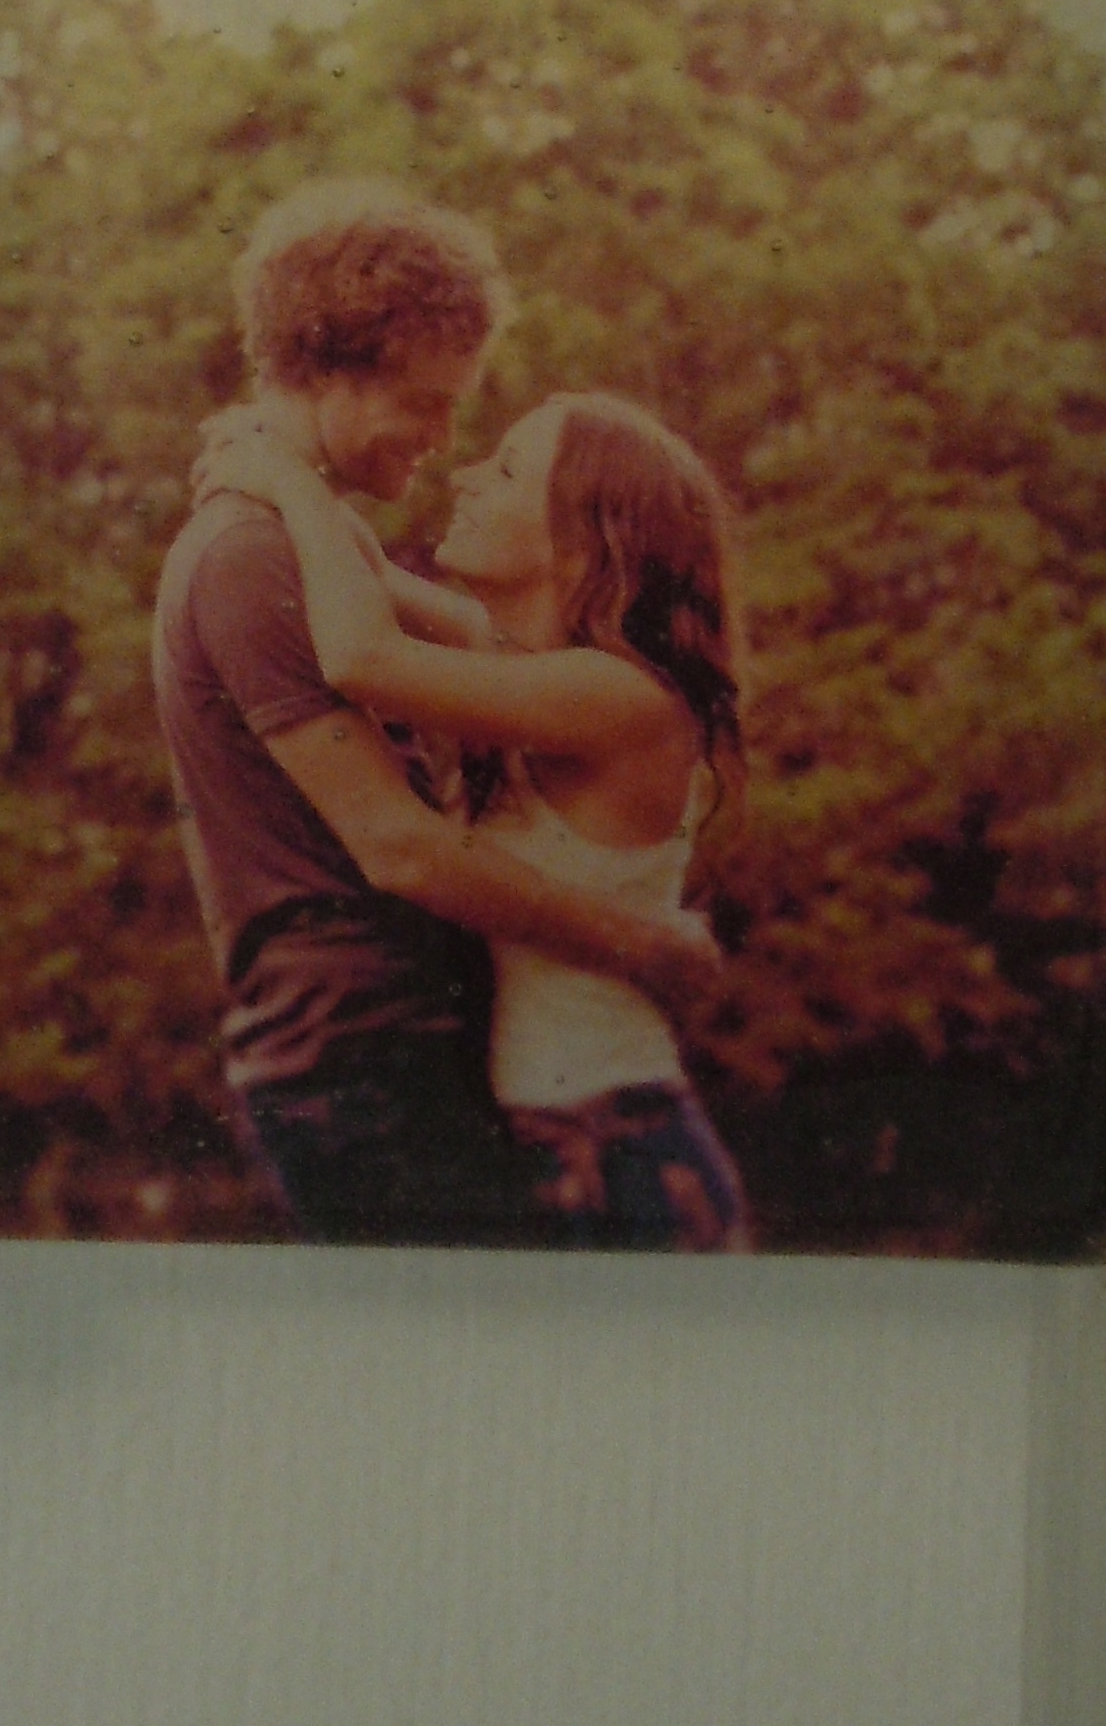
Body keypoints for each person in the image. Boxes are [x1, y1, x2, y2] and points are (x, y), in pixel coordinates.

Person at [150, 181, 718, 1247]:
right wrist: (635, 946)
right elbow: (399, 845)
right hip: (361, 1059)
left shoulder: (303, 543)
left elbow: (424, 624)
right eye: (425, 402)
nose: (443, 440)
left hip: (407, 1053)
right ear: (332, 369)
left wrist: (289, 479)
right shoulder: (252, 556)